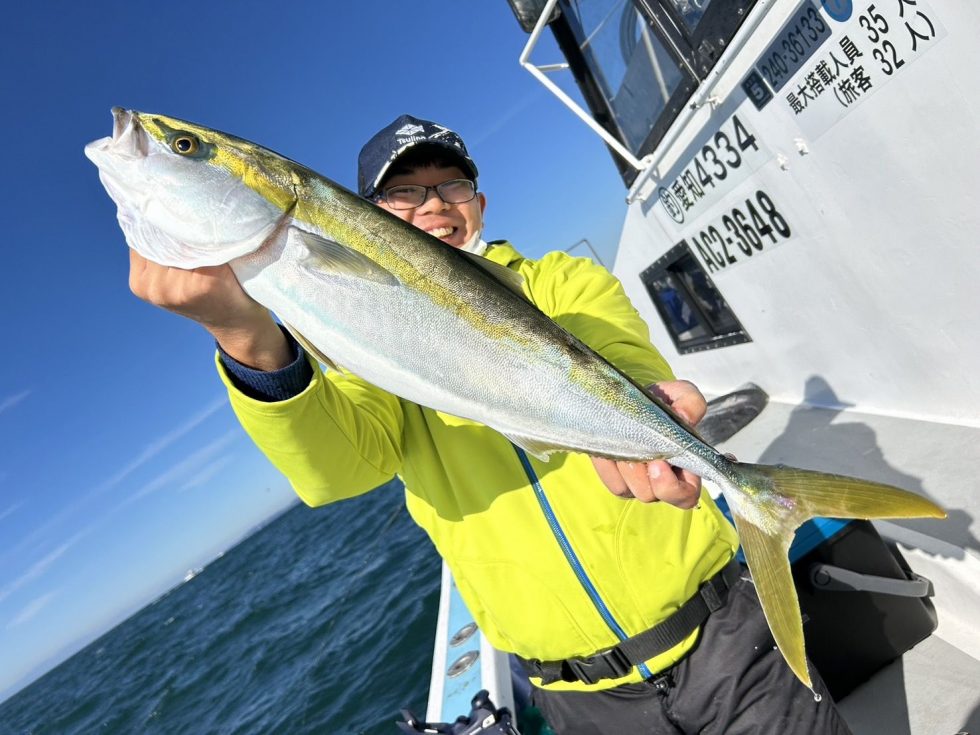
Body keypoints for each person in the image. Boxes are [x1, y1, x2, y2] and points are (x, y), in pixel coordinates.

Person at [128, 114, 851, 734]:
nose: (434, 204)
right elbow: (338, 469)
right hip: (581, 700)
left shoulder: (563, 282)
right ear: (365, 216)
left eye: (451, 185)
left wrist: (651, 408)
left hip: (724, 637)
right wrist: (246, 340)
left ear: (480, 201)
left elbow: (618, 352)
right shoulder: (364, 353)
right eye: (404, 193)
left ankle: (766, 508)